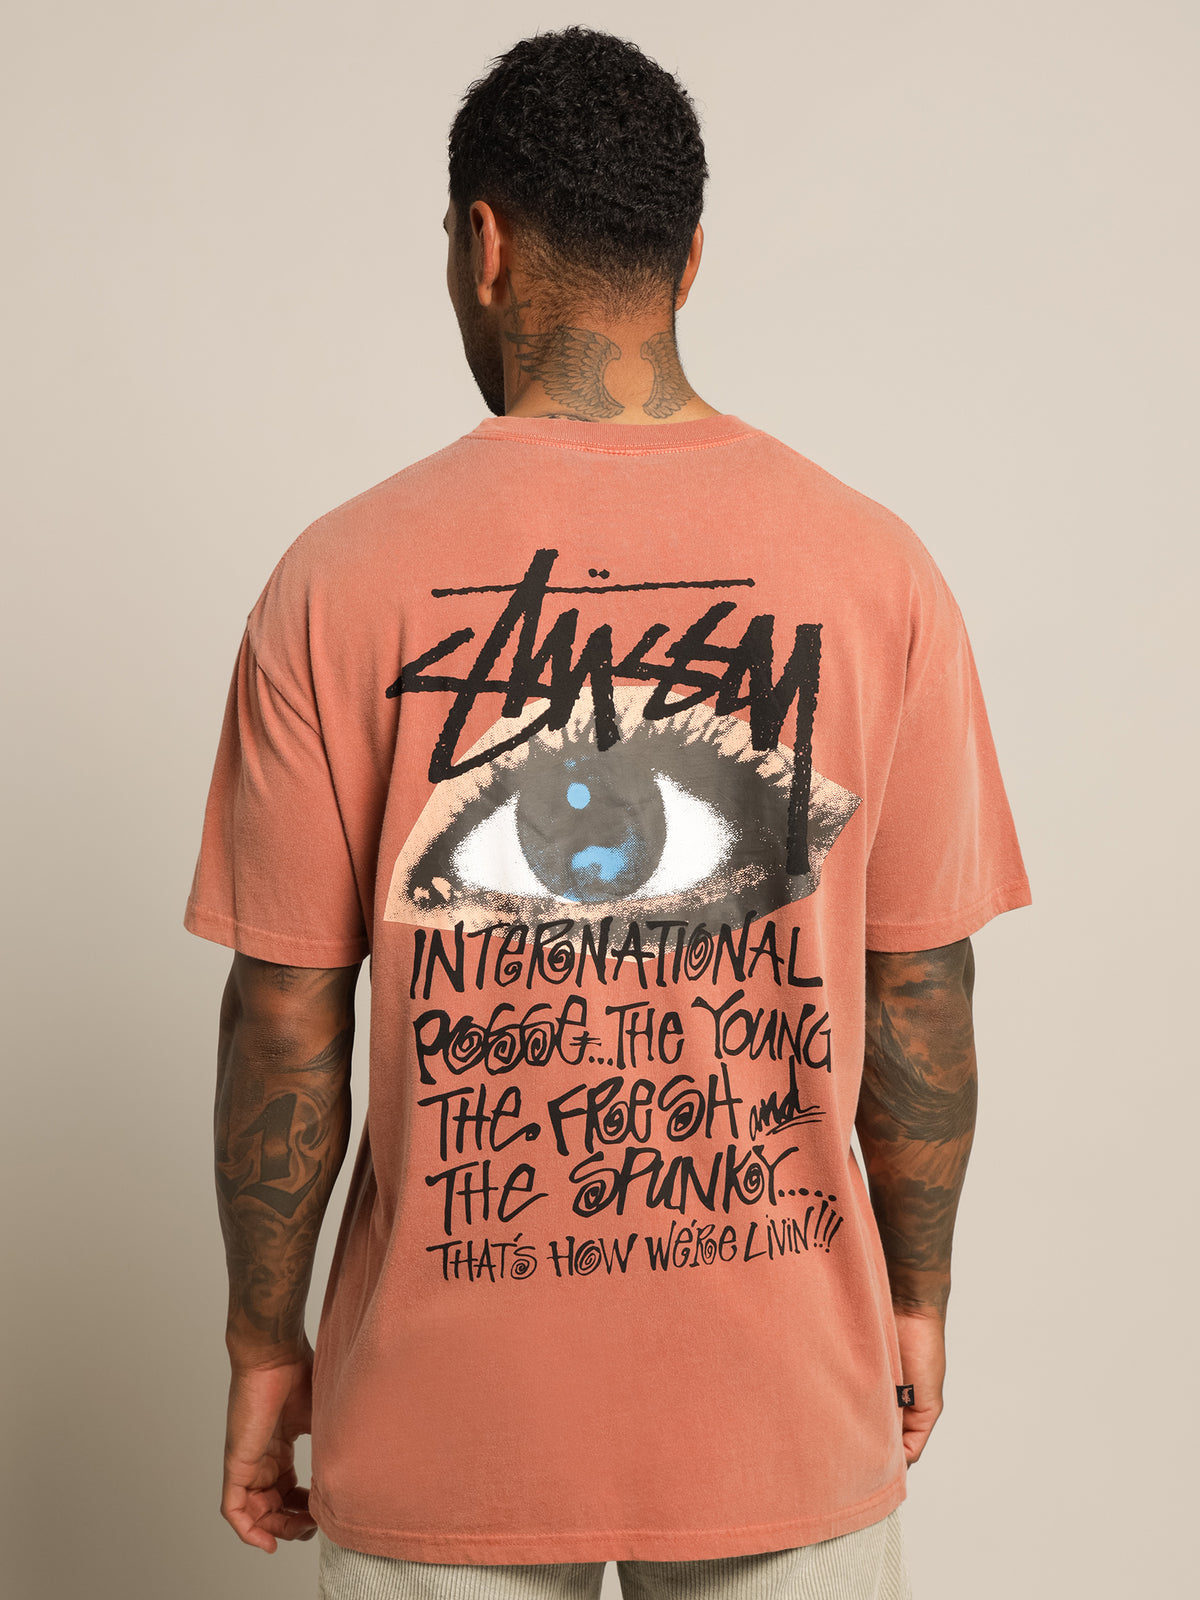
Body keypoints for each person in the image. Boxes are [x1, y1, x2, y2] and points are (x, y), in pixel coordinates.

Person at [183, 25, 1031, 1600]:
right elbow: (923, 981)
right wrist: (916, 1297)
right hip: (786, 1404)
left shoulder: (335, 579)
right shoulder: (876, 568)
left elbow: (286, 1014)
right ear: (691, 258)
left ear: (484, 246)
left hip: (443, 1420)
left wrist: (263, 1342)